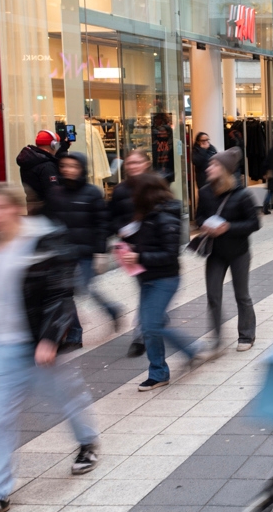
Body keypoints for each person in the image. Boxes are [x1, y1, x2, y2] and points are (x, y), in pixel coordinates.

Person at [0, 182, 101, 512]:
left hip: (38, 343)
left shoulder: (42, 239)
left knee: (66, 398)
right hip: (0, 347)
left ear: (11, 208)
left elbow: (60, 291)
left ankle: (87, 441)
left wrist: (50, 338)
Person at [118, 172, 208, 390]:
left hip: (165, 279)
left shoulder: (166, 217)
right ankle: (181, 357)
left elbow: (169, 255)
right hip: (146, 277)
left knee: (150, 326)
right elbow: (146, 244)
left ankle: (165, 368)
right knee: (152, 326)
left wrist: (139, 256)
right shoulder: (145, 216)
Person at [45, 152, 121, 343]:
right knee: (66, 294)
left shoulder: (92, 192)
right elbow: (50, 222)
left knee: (85, 288)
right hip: (63, 253)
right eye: (64, 166)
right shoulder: (55, 193)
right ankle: (74, 333)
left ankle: (111, 309)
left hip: (86, 252)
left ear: (81, 169)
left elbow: (102, 224)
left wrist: (101, 253)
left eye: (73, 166)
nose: (68, 170)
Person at [195, 148, 260, 352]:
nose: (209, 168)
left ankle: (246, 334)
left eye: (214, 165)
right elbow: (198, 217)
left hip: (239, 251)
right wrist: (204, 225)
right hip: (215, 252)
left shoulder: (242, 195)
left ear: (224, 170)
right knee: (213, 295)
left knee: (242, 295)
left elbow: (254, 223)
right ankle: (216, 337)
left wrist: (228, 227)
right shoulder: (205, 192)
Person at [110, 149, 153, 358]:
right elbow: (112, 217)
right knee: (146, 290)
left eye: (137, 162)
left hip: (154, 248)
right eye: (129, 163)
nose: (132, 166)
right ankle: (145, 329)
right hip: (131, 250)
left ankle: (141, 335)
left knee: (149, 291)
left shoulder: (155, 185)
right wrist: (121, 229)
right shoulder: (120, 191)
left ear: (146, 164)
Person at [16, 129, 66, 205]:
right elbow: (53, 192)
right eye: (58, 145)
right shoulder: (47, 165)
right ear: (54, 145)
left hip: (33, 206)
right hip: (47, 209)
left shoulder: (30, 160)